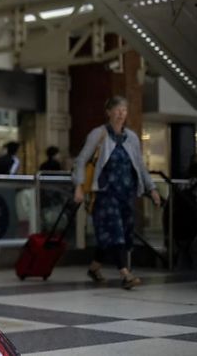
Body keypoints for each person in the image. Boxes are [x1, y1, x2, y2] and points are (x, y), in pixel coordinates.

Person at [73, 96, 161, 290]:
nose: (121, 114)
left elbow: (139, 165)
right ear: (109, 112)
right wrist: (78, 186)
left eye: (124, 110)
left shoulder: (132, 137)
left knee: (120, 234)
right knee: (115, 232)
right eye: (117, 110)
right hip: (104, 193)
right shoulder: (99, 134)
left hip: (126, 193)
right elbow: (81, 161)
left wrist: (152, 189)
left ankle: (94, 268)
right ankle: (125, 274)